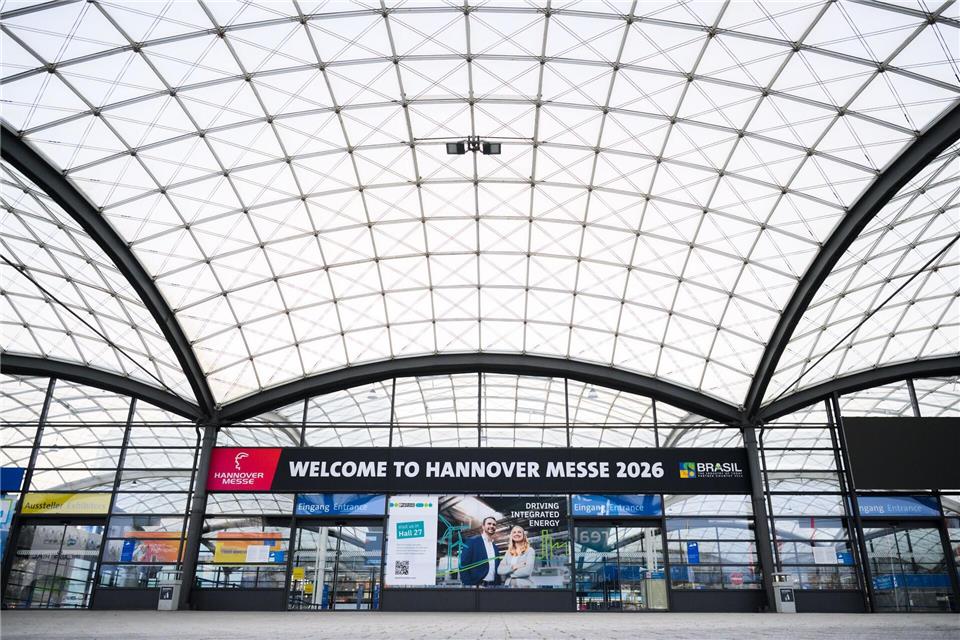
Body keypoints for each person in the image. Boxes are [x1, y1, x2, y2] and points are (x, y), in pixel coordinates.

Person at [459, 516, 500, 586]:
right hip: (477, 585)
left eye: (494, 525)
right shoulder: (472, 541)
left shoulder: (495, 547)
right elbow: (463, 565)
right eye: (489, 524)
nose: (492, 526)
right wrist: (468, 584)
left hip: (493, 586)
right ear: (483, 526)